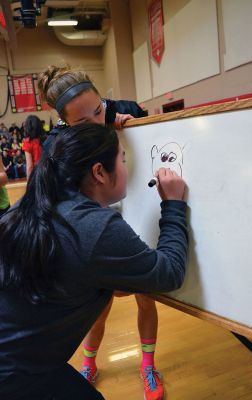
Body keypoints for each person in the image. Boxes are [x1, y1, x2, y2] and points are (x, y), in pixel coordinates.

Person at [0, 123, 188, 400]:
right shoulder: (95, 228)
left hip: (23, 359)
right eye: (122, 160)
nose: (127, 169)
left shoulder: (33, 203)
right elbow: (171, 272)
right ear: (99, 172)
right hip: (17, 372)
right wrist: (173, 204)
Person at [37, 65, 164, 399]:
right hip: (96, 231)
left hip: (134, 212)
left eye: (98, 111)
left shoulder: (108, 109)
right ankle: (89, 362)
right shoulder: (56, 148)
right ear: (63, 121)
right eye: (83, 121)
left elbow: (139, 114)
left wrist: (128, 120)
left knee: (146, 297)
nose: (96, 120)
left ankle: (148, 364)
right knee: (99, 308)